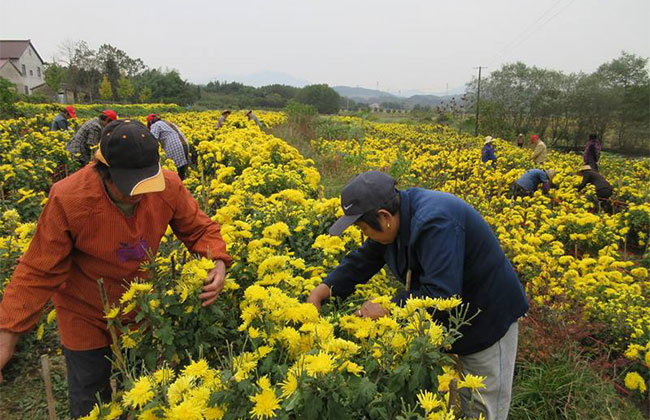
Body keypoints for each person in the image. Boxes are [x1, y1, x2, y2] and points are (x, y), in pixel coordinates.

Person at [0, 119, 231, 418]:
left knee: (146, 394)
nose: (140, 194)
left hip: (141, 307)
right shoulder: (69, 198)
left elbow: (200, 230)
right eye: (130, 188)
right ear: (104, 172)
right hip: (84, 311)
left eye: (147, 183)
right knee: (89, 398)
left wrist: (217, 262)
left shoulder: (168, 186)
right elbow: (38, 270)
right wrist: (7, 335)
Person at [307, 171, 529, 420]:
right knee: (453, 400)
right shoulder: (397, 217)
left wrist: (387, 307)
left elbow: (441, 295)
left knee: (483, 407)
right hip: (452, 321)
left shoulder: (437, 222)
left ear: (384, 217)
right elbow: (364, 259)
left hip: (487, 318)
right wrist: (323, 289)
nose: (366, 236)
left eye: (364, 229)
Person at [146, 114, 192, 180]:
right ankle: (183, 186)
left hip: (175, 146)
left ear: (150, 122)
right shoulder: (167, 122)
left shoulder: (155, 125)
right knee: (182, 170)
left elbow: (152, 139)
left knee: (175, 171)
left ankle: (177, 186)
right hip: (184, 144)